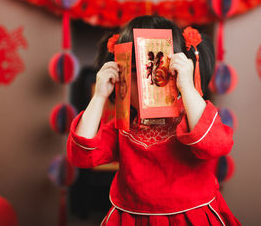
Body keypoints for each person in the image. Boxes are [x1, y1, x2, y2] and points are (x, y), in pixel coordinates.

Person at [66, 15, 241, 225]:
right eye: (131, 72)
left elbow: (215, 144)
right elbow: (82, 155)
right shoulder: (125, 127)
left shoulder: (192, 118)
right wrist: (99, 96)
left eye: (155, 70)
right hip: (131, 218)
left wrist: (187, 87)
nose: (141, 83)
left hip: (190, 218)